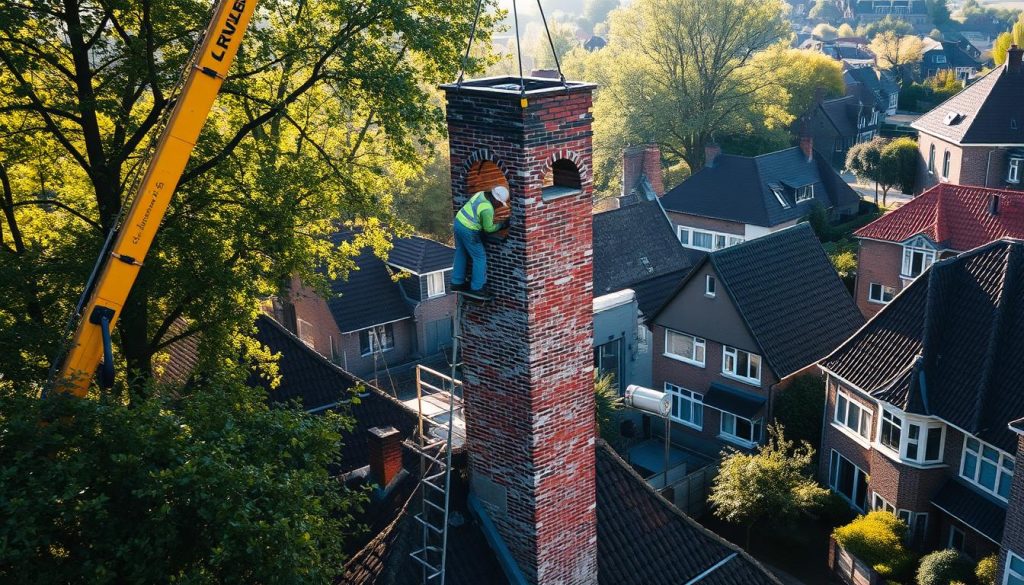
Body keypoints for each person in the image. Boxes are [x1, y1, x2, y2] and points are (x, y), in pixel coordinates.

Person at [452, 186, 510, 300]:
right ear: (495, 199)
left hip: (458, 222)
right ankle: (477, 288)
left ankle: (456, 282)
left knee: (461, 252)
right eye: (499, 204)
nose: (499, 206)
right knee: (479, 257)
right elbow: (489, 229)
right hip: (469, 230)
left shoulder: (481, 193)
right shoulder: (487, 208)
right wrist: (503, 224)